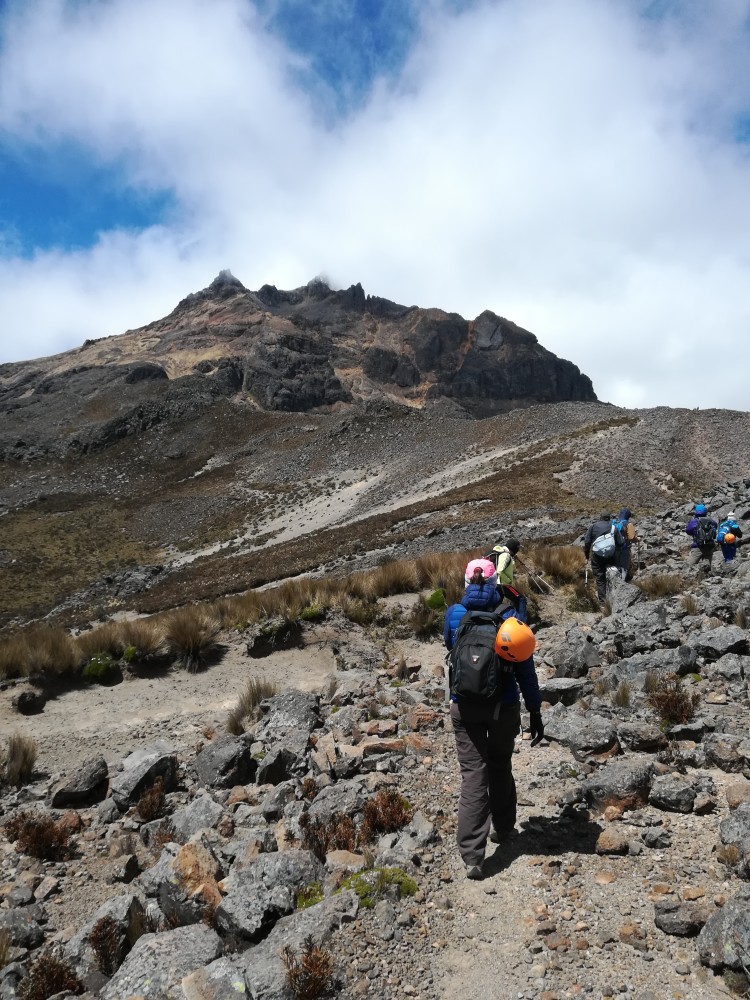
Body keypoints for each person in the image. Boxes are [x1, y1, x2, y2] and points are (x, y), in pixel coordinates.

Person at [445, 562, 543, 880]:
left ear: (467, 582)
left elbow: (450, 645)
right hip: (505, 706)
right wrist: (535, 711)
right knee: (500, 765)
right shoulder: (510, 618)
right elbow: (525, 669)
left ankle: (473, 856)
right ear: (495, 582)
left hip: (464, 706)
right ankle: (503, 829)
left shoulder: (454, 614)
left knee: (474, 774)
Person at [583, 513, 624, 607]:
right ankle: (615, 599)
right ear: (609, 519)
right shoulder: (613, 527)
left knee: (600, 578)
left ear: (600, 518)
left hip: (597, 556)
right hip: (611, 556)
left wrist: (586, 556)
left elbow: (587, 542)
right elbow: (620, 543)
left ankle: (603, 604)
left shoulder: (593, 527)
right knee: (612, 574)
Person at [685, 503, 718, 570]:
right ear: (705, 511)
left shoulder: (694, 521)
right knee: (707, 565)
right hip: (709, 545)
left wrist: (695, 533)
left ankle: (690, 577)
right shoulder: (711, 521)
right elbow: (716, 526)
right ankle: (708, 578)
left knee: (690, 565)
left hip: (697, 545)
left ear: (696, 512)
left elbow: (688, 531)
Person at [612, 508, 637, 580]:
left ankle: (613, 583)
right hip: (624, 548)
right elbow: (631, 537)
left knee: (615, 566)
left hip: (613, 548)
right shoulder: (629, 524)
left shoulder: (613, 522)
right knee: (624, 567)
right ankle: (622, 585)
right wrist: (638, 539)